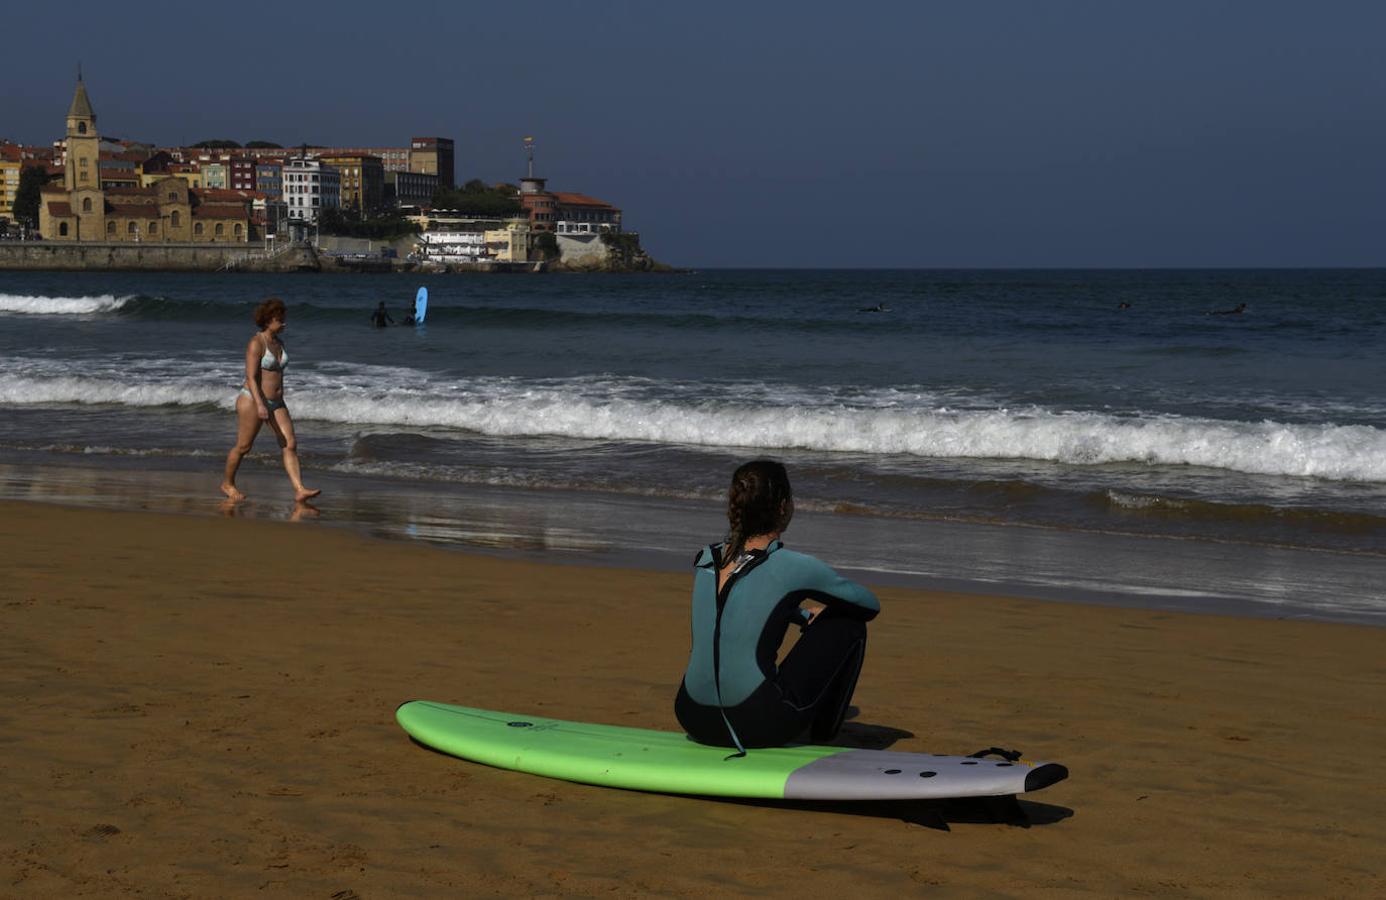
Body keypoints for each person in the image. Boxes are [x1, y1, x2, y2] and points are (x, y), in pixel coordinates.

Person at [674, 460, 879, 752]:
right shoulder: (793, 566)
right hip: (757, 724)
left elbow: (737, 610)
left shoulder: (706, 558)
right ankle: (824, 735)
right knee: (849, 623)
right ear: (783, 506)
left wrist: (802, 614)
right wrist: (825, 613)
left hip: (692, 716)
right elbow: (869, 604)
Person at [221, 297, 320, 503]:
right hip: (252, 399)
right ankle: (227, 483)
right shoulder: (257, 343)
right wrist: (259, 404)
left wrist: (273, 402)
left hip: (277, 402)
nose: (284, 322)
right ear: (267, 320)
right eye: (279, 319)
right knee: (244, 447)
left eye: (283, 318)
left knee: (289, 443)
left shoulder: (279, 342)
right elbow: (251, 377)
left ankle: (299, 489)